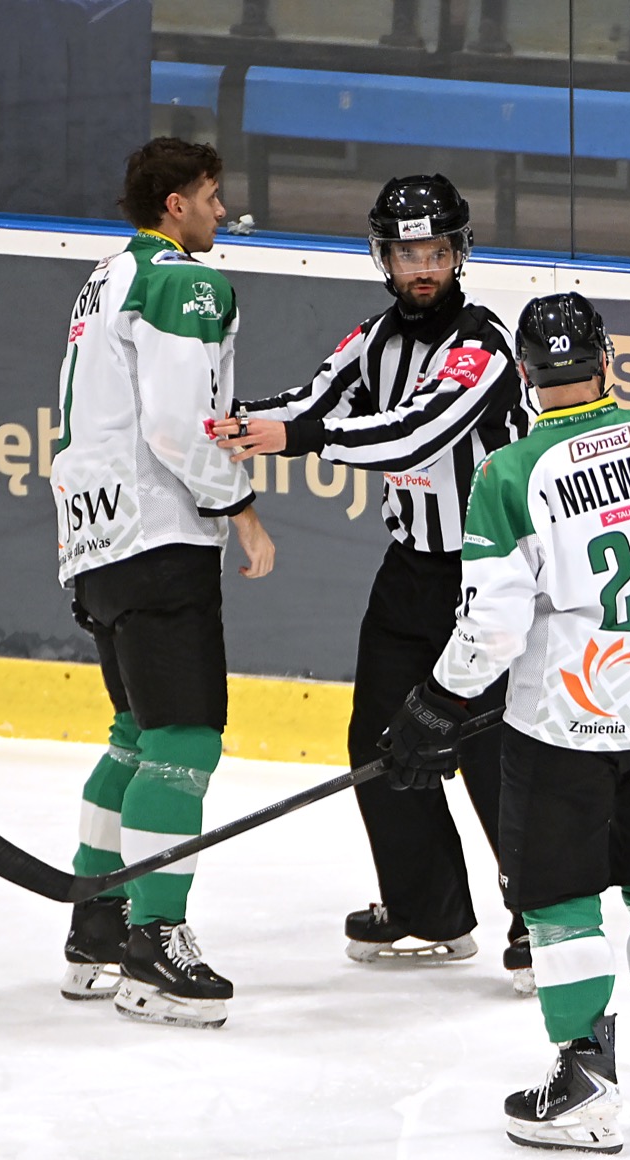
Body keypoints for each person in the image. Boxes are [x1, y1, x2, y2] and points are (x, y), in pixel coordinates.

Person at [383, 293, 630, 1151]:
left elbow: (493, 628)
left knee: (560, 899)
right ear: (606, 359)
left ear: (525, 373)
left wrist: (437, 701)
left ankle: (585, 1080)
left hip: (563, 724)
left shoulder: (511, 473)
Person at [215, 175, 529, 983]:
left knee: (495, 749)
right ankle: (429, 910)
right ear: (383, 259)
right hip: (411, 573)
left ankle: (543, 913)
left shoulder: (484, 345)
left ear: (459, 254)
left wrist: (298, 437)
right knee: (383, 742)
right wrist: (240, 419)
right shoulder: (372, 339)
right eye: (406, 254)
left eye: (436, 252)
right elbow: (311, 398)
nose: (422, 268)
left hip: (491, 577)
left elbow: (415, 434)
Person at [54, 137, 275, 1030]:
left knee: (136, 734)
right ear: (175, 204)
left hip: (95, 539)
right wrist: (241, 507)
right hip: (158, 534)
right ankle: (155, 940)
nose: (222, 211)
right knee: (184, 740)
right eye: (212, 196)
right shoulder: (181, 280)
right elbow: (180, 426)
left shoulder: (102, 279)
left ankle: (97, 926)